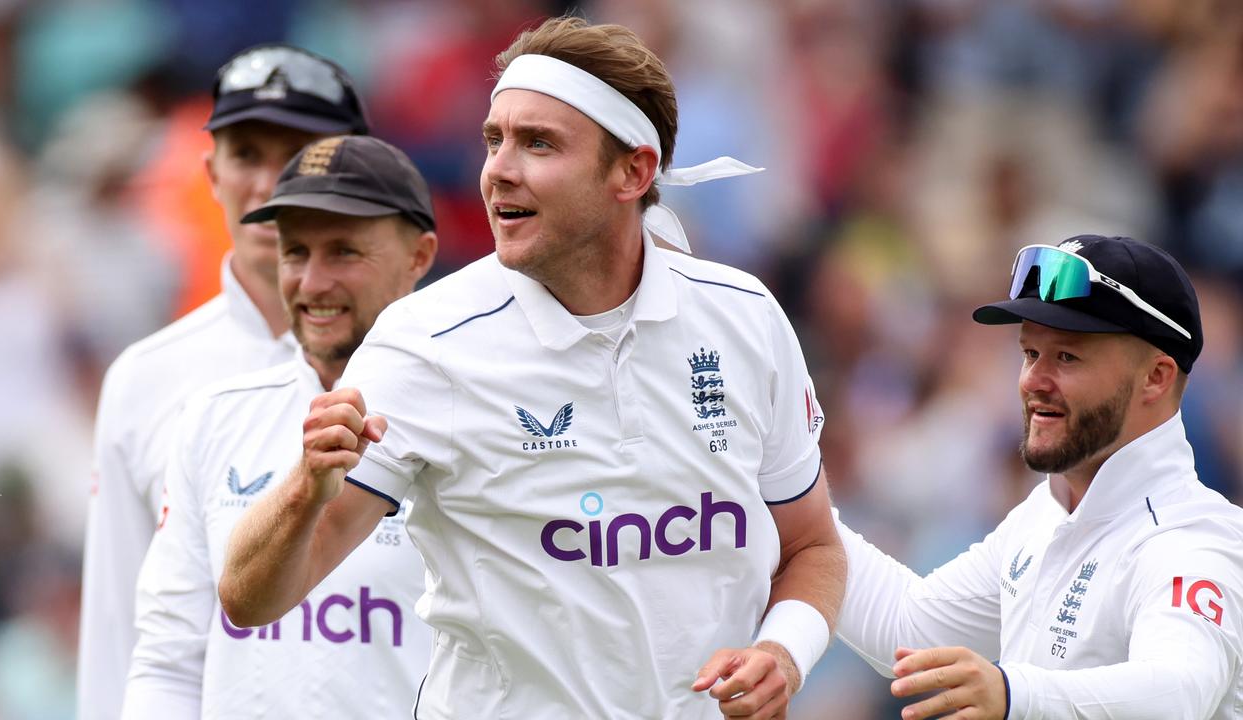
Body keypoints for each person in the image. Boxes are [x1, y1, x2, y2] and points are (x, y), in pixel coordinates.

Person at [219, 16, 847, 720]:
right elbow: (250, 598)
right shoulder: (427, 339)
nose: (499, 171)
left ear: (632, 171)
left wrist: (783, 652)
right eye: (495, 140)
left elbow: (813, 546)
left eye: (538, 143)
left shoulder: (744, 317)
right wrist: (307, 486)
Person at [77, 44, 370, 720]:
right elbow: (120, 629)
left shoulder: (421, 361)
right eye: (247, 155)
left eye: (300, 154)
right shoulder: (146, 380)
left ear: (361, 171)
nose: (270, 184)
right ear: (210, 173)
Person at [835, 235, 1243, 719]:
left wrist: (1014, 696)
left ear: (1156, 377)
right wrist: (781, 492)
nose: (1032, 380)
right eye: (1030, 353)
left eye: (1066, 357)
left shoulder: (1194, 541)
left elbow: (1179, 693)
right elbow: (906, 629)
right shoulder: (1044, 513)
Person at [122, 135, 437, 718]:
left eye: (343, 251)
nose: (312, 283)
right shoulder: (214, 417)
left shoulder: (468, 420)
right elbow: (170, 659)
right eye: (296, 252)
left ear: (419, 256)